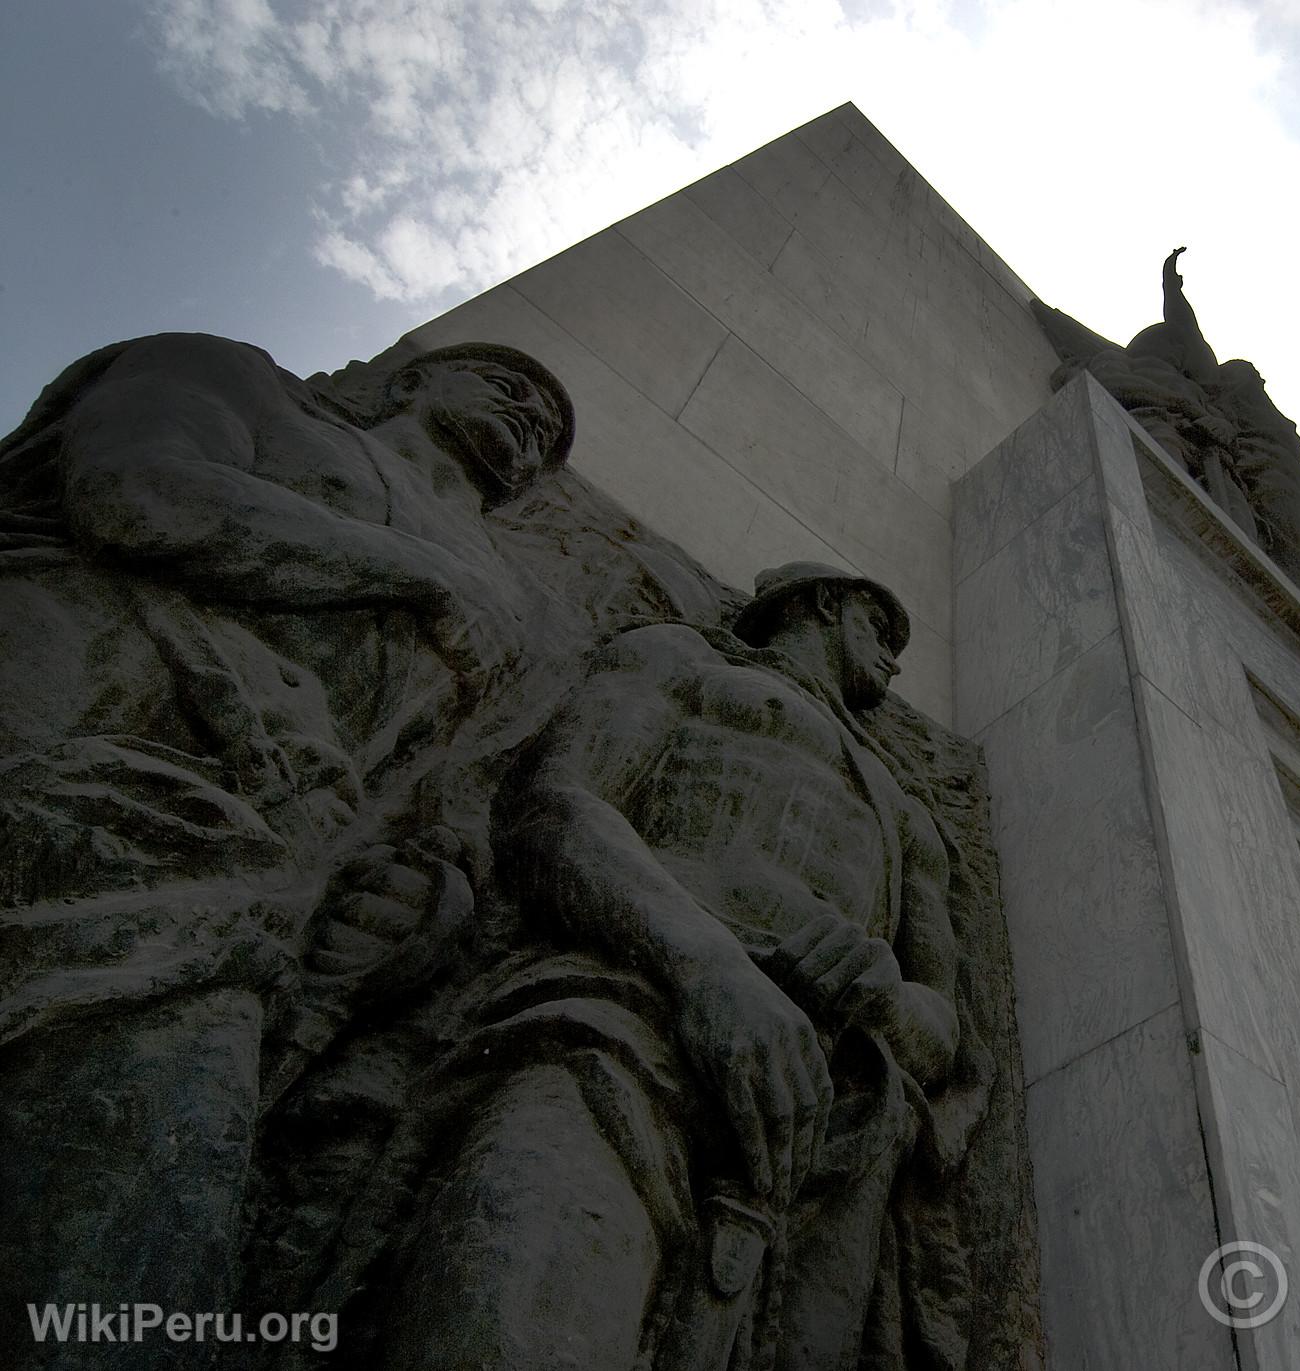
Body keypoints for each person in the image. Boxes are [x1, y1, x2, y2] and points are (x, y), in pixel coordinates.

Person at [0, 332, 574, 1361]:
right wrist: (424, 576)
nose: (531, 417)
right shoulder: (239, 380)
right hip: (54, 710)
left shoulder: (516, 610)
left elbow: (441, 799)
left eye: (549, 430)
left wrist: (427, 899)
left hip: (236, 875)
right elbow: (136, 492)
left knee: (137, 1251)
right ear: (410, 377)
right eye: (507, 382)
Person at [364, 563, 970, 1371]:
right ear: (824, 602)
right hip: (618, 1023)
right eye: (879, 628)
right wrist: (709, 968)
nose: (895, 659)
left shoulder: (906, 810)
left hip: (814, 1135)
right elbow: (555, 804)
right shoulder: (680, 658)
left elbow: (941, 1024)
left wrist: (883, 997)